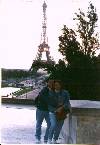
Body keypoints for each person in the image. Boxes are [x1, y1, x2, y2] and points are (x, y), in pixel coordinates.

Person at [34, 79, 54, 144]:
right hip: (41, 110)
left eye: (52, 82)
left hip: (48, 111)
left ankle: (46, 138)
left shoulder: (53, 91)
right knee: (39, 124)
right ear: (47, 83)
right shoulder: (44, 90)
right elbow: (46, 99)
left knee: (50, 125)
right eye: (50, 82)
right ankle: (37, 138)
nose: (51, 83)